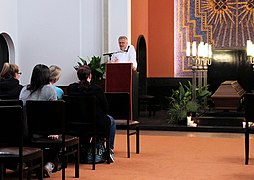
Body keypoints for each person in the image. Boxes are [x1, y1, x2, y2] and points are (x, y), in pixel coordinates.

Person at [67, 65, 116, 162]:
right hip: (95, 125)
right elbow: (105, 108)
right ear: (90, 75)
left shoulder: (71, 88)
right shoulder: (96, 89)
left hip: (75, 124)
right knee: (112, 121)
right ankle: (109, 150)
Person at [19, 64, 60, 177]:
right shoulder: (50, 90)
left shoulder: (24, 90)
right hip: (42, 133)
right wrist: (54, 131)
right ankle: (49, 164)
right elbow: (54, 113)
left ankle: (27, 163)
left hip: (25, 132)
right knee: (58, 138)